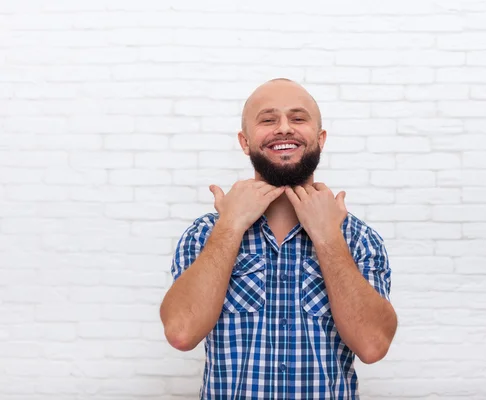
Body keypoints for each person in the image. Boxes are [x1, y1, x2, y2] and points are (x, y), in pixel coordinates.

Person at [159, 78, 397, 399]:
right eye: (268, 120)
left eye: (298, 118)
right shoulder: (206, 234)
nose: (284, 128)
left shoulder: (358, 238)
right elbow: (181, 333)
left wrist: (328, 239)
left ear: (320, 138)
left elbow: (372, 346)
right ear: (245, 142)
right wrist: (229, 227)